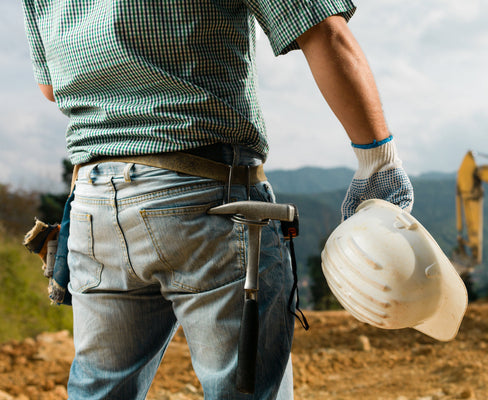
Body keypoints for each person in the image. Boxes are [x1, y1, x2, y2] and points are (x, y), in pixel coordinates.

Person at [22, 1, 413, 399]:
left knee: (99, 389)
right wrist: (378, 161)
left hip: (94, 205)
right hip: (207, 196)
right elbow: (322, 29)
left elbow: (49, 87)